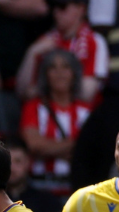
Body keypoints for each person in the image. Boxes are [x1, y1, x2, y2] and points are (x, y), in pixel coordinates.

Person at [16, 0, 108, 103]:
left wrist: (44, 88)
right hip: (46, 112)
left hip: (83, 115)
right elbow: (22, 92)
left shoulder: (95, 41)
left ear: (81, 9)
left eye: (62, 6)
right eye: (54, 6)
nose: (56, 12)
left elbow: (87, 94)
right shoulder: (45, 40)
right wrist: (32, 52)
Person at [20, 48, 91, 185]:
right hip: (41, 183)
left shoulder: (87, 110)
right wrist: (76, 145)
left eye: (66, 67)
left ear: (74, 74)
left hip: (77, 185)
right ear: (45, 75)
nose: (60, 73)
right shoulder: (33, 107)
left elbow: (93, 150)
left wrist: (50, 148)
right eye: (53, 68)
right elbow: (34, 144)